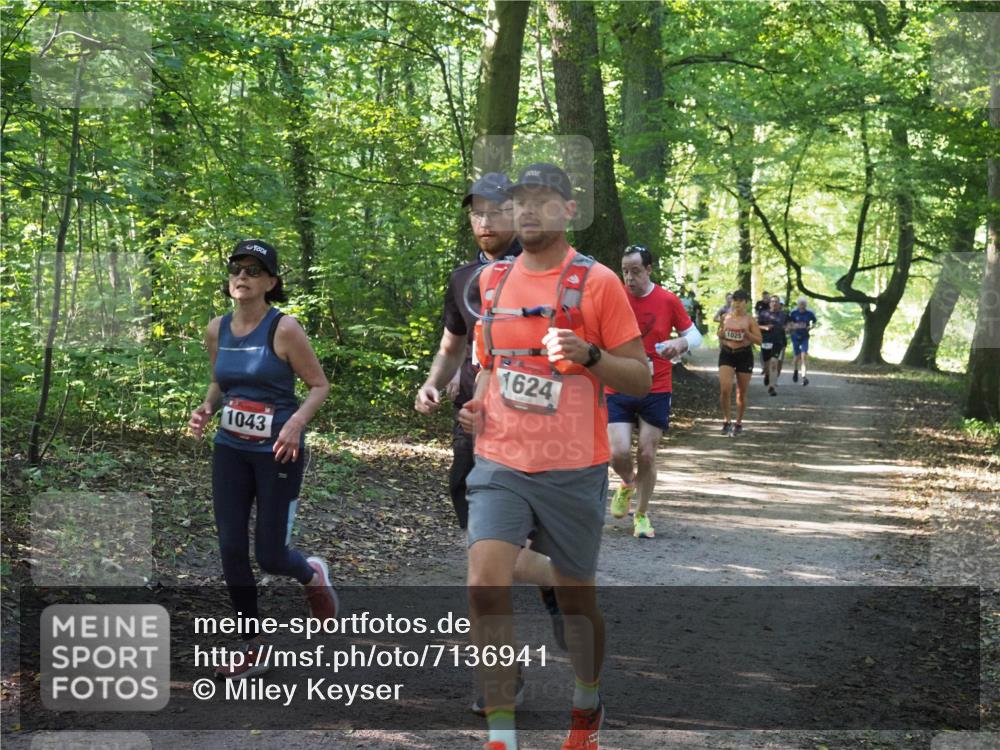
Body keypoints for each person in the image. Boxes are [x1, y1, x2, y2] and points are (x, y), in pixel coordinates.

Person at [458, 163, 650, 750]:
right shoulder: (492, 282)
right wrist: (477, 406)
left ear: (569, 210)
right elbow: (491, 366)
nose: (528, 211)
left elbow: (639, 377)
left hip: (573, 465)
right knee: (484, 581)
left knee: (576, 600)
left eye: (543, 200)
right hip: (500, 460)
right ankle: (502, 735)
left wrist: (590, 355)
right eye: (520, 201)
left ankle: (587, 703)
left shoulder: (598, 283)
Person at [413, 173, 565, 714]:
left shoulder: (552, 272)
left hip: (541, 432)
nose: (485, 221)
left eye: (496, 210)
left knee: (520, 549)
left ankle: (556, 581)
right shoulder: (463, 279)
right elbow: (451, 347)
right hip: (475, 429)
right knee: (485, 558)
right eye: (476, 212)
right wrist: (433, 383)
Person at [188, 239, 337, 678]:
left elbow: (319, 386)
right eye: (236, 268)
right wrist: (207, 407)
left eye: (254, 270)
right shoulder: (216, 329)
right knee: (231, 548)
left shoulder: (283, 329)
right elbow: (221, 382)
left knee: (270, 556)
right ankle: (251, 645)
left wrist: (295, 425)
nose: (242, 277)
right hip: (230, 450)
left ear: (271, 282)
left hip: (277, 452)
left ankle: (311, 574)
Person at [607, 246, 702, 539]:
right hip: (619, 382)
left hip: (656, 386)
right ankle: (627, 482)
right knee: (617, 452)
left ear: (649, 269)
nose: (629, 277)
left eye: (635, 271)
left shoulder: (667, 299)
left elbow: (695, 335)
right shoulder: (614, 296)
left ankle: (642, 514)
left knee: (647, 453)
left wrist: (680, 344)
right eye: (625, 271)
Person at [717, 289, 762, 436]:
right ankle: (726, 421)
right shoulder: (725, 317)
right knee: (725, 388)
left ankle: (738, 423)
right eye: (735, 300)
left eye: (741, 301)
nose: (737, 304)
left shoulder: (750, 320)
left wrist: (747, 333)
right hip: (727, 354)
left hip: (744, 355)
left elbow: (759, 341)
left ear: (746, 303)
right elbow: (720, 333)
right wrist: (722, 334)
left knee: (741, 393)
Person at [757, 295, 788, 397]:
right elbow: (755, 325)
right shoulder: (763, 314)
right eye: (772, 301)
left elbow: (788, 325)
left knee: (774, 363)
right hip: (766, 341)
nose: (774, 303)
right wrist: (765, 327)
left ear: (779, 304)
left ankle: (772, 387)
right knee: (767, 364)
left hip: (778, 342)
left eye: (776, 301)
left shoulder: (783, 315)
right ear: (769, 303)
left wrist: (788, 328)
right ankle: (767, 374)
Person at [788, 296, 818, 386]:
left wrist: (810, 327)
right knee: (797, 356)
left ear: (806, 305)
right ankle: (795, 371)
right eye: (801, 304)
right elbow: (789, 324)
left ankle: (804, 377)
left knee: (804, 355)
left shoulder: (809, 313)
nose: (802, 306)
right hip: (795, 336)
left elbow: (814, 322)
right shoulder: (793, 313)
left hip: (805, 336)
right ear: (798, 304)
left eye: (804, 304)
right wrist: (794, 326)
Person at [754, 290, 772, 374]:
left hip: (771, 328)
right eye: (764, 297)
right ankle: (763, 366)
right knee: (763, 347)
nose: (765, 299)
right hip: (761, 328)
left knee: (770, 348)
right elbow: (756, 314)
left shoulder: (771, 304)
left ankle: (768, 366)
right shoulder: (759, 304)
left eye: (767, 297)